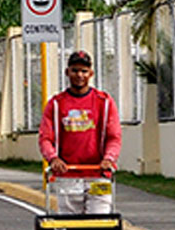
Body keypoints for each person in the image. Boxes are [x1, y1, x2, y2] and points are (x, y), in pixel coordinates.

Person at [38, 50, 123, 214]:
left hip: (98, 175)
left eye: (84, 71)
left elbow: (114, 137)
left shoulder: (104, 102)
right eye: (75, 70)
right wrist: (53, 158)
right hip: (68, 175)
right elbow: (45, 138)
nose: (79, 75)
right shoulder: (56, 104)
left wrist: (109, 158)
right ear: (67, 72)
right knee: (71, 227)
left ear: (91, 73)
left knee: (99, 223)